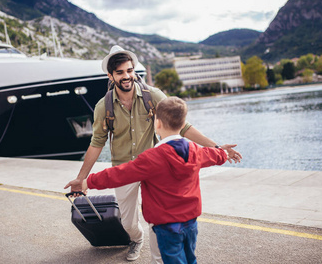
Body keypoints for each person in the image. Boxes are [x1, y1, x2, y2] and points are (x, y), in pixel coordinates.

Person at [64, 45, 242, 262]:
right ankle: (136, 239)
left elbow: (182, 126)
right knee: (128, 223)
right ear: (110, 76)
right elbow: (97, 143)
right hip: (124, 167)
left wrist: (216, 147)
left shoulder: (153, 96)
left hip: (152, 167)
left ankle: (160, 255)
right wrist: (82, 179)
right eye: (120, 72)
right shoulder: (104, 107)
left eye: (129, 70)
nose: (126, 76)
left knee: (157, 217)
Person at [81, 96, 230, 264]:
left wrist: (87, 182)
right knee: (189, 258)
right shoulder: (195, 150)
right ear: (182, 125)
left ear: (157, 124)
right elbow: (215, 155)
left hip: (166, 225)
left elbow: (119, 174)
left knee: (173, 260)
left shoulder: (152, 158)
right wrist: (224, 153)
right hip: (190, 222)